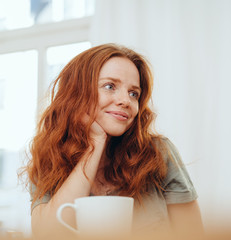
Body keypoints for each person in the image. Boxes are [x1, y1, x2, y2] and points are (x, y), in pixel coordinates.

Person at [22, 43, 203, 238]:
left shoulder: (158, 152)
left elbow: (193, 235)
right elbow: (48, 235)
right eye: (110, 86)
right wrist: (95, 143)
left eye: (134, 93)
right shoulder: (49, 158)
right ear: (77, 93)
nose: (125, 100)